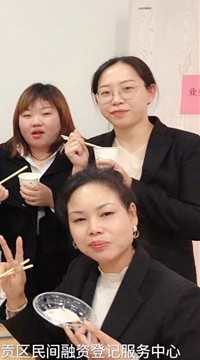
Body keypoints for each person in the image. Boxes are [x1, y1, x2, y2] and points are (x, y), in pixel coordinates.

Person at [0, 168, 200, 360]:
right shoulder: (81, 271)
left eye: (106, 214)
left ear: (132, 215)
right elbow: (44, 342)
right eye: (79, 220)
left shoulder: (181, 298)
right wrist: (16, 298)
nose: (94, 228)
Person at [64, 56, 200, 283]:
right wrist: (78, 170)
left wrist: (130, 185)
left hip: (167, 278)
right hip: (102, 276)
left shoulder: (186, 146)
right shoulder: (91, 149)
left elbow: (196, 222)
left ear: (150, 92)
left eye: (127, 89)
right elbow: (74, 219)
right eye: (106, 93)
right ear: (97, 100)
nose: (116, 100)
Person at [0, 83, 77, 299]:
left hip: (64, 255)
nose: (36, 122)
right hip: (15, 253)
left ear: (62, 118)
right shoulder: (6, 154)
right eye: (27, 115)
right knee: (16, 306)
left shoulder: (75, 156)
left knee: (58, 308)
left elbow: (89, 207)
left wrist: (52, 200)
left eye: (46, 113)